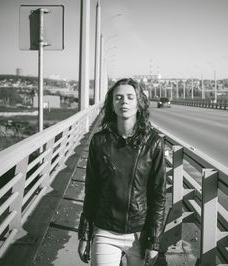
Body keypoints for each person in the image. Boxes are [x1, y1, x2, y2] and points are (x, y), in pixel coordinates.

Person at [77, 78, 166, 266]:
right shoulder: (99, 142)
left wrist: (154, 240)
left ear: (139, 103)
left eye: (129, 97)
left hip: (139, 233)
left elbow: (158, 197)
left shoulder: (153, 143)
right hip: (105, 230)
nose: (123, 101)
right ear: (112, 104)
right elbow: (91, 192)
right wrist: (84, 234)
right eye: (118, 97)